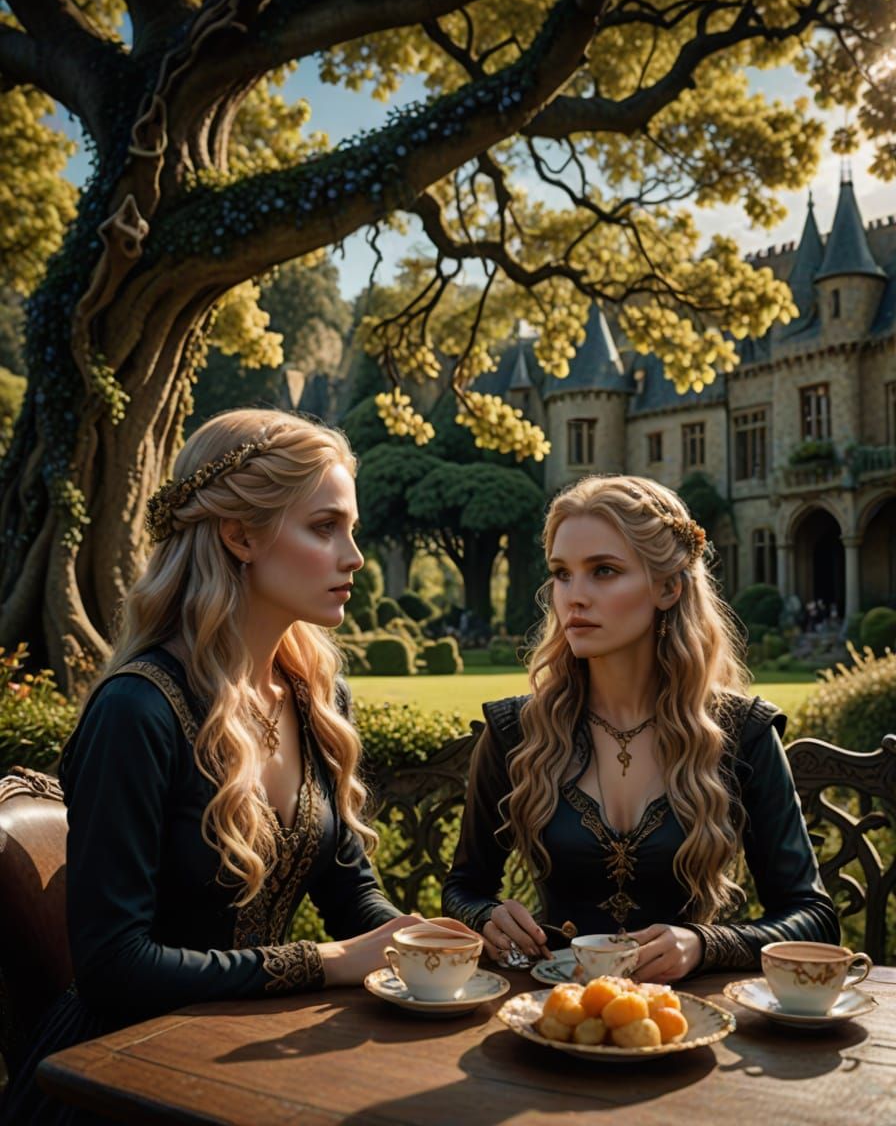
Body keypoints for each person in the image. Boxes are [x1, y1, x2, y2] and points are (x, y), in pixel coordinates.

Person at [2, 408, 424, 1124]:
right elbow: (113, 969)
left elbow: (354, 895)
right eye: (324, 527)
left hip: (248, 1053)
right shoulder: (138, 710)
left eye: (349, 528)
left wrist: (421, 944)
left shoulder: (315, 696)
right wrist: (324, 961)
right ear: (240, 534)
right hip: (116, 1078)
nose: (354, 556)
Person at [443, 474, 838, 982]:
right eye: (562, 574)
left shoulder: (743, 733)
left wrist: (705, 943)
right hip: (552, 1012)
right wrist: (486, 918)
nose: (574, 597)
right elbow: (463, 889)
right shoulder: (515, 732)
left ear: (669, 586)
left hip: (686, 1023)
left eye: (603, 571)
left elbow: (814, 918)